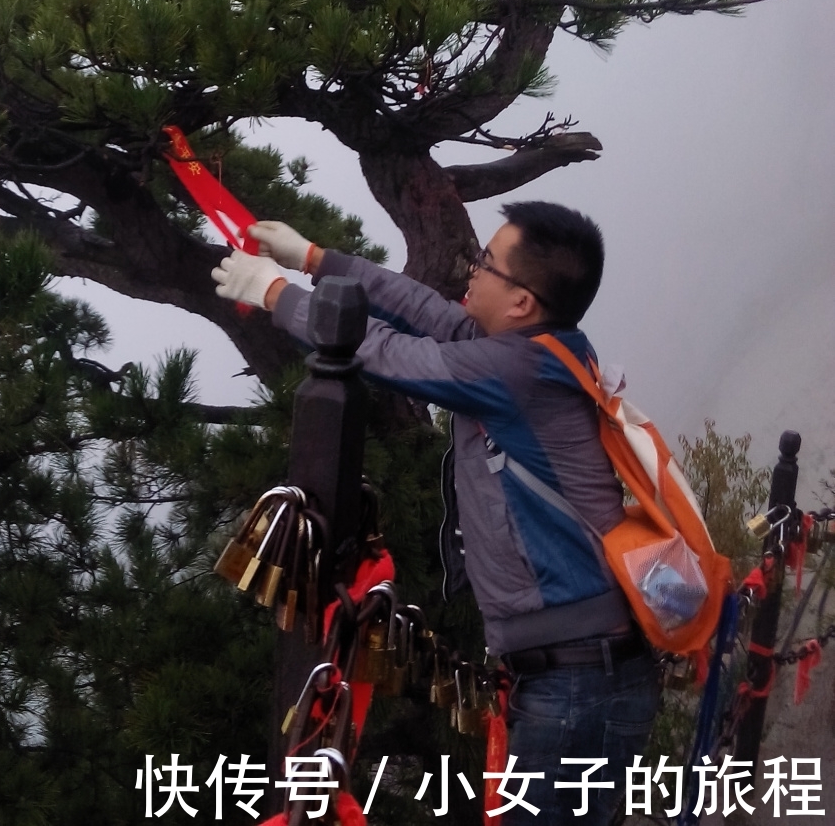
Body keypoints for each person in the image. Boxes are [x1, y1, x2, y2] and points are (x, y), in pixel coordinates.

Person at [211, 201, 660, 826]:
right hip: (573, 675)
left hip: (577, 686)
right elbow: (421, 309)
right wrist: (314, 259)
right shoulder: (532, 348)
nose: (469, 271)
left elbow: (395, 355)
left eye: (485, 263)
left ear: (523, 302)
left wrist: (276, 293)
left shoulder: (517, 369)